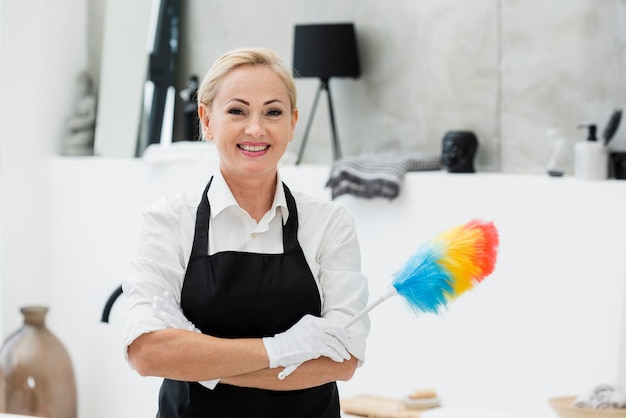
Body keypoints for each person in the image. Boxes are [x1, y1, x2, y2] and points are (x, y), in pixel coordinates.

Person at [122, 47, 370, 418]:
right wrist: (282, 349)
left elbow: (342, 360)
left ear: (292, 122)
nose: (256, 128)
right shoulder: (169, 221)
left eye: (273, 112)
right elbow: (146, 353)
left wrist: (199, 361)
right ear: (207, 119)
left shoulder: (329, 225)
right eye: (237, 111)